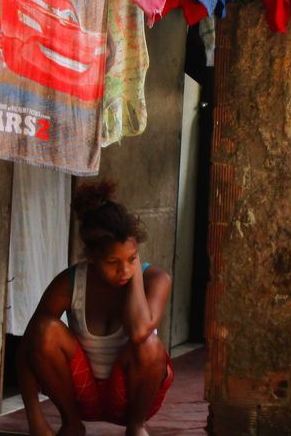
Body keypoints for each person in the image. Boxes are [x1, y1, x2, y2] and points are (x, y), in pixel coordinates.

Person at [17, 181, 174, 436]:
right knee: (44, 329)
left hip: (131, 398)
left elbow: (137, 331)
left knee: (149, 344)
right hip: (80, 393)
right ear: (91, 256)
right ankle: (71, 424)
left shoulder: (156, 280)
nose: (124, 270)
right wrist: (35, 421)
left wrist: (134, 270)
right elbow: (29, 346)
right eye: (113, 262)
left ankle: (136, 427)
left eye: (132, 258)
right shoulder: (70, 283)